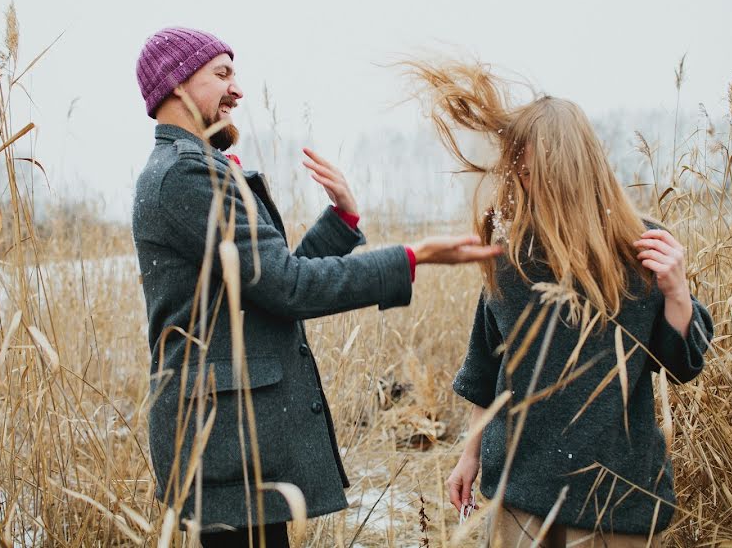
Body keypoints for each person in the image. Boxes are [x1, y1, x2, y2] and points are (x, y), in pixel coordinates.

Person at [131, 27, 502, 547]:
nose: (238, 90)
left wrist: (342, 221)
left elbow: (267, 288)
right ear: (174, 83)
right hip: (223, 440)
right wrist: (412, 258)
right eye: (222, 74)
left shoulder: (192, 170)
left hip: (233, 439)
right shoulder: (185, 176)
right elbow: (287, 288)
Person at [406, 59, 713, 547]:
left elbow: (681, 366)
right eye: (522, 175)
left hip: (613, 499)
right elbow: (487, 373)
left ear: (578, 167)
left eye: (541, 173)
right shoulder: (509, 257)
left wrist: (677, 291)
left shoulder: (643, 248)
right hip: (519, 494)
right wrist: (469, 456)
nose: (530, 186)